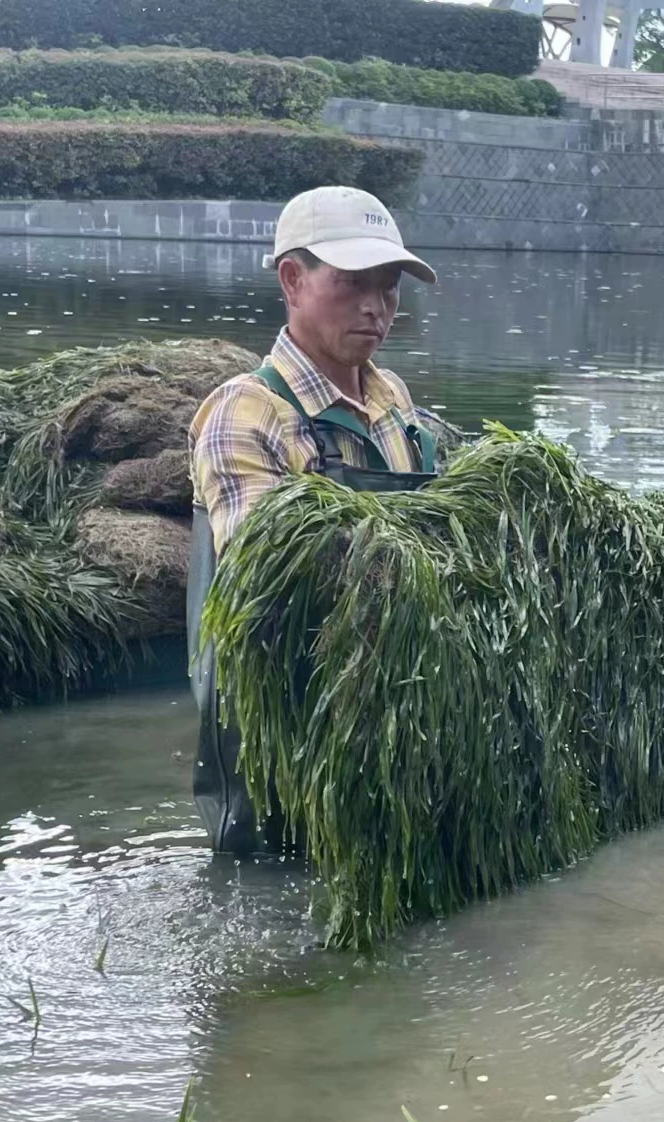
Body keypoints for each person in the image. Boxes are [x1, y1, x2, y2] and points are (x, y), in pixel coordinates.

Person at [186, 185, 444, 854]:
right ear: (293, 280)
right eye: (354, 283)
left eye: (388, 288)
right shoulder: (243, 414)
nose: (376, 307)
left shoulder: (395, 401)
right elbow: (268, 575)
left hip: (394, 712)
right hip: (285, 728)